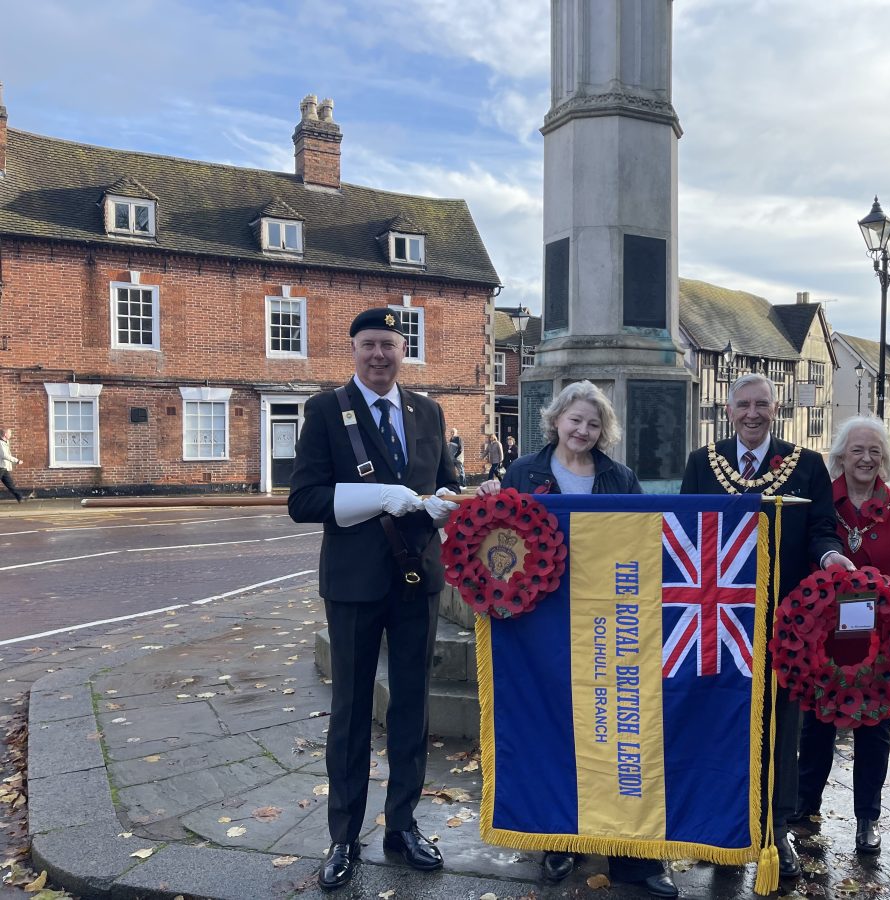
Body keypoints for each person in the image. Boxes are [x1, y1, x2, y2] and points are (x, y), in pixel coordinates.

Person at [478, 380, 674, 899]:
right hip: (544, 621)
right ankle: (558, 838)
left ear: (602, 430)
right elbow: (501, 539)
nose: (582, 431)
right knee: (555, 728)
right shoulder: (524, 473)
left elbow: (643, 540)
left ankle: (629, 852)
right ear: (556, 420)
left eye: (592, 424)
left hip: (611, 621)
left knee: (618, 730)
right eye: (575, 420)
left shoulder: (620, 476)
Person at [288, 308, 461, 891]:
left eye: (389, 344)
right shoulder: (325, 411)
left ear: (401, 349)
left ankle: (404, 826)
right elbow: (304, 500)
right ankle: (343, 835)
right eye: (369, 345)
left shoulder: (429, 411)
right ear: (354, 350)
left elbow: (446, 480)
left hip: (419, 581)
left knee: (412, 706)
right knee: (352, 711)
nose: (380, 355)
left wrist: (448, 500)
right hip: (356, 584)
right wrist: (381, 497)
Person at [679, 373, 852, 881]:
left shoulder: (808, 465)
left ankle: (777, 831)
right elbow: (688, 533)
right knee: (724, 724)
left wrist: (830, 557)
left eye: (762, 405)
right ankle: (723, 829)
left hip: (785, 621)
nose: (752, 414)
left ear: (775, 411)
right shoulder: (701, 464)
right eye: (743, 406)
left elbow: (822, 528)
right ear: (729, 411)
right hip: (721, 620)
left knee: (781, 727)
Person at [793, 416, 890, 856]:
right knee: (815, 729)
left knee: (875, 730)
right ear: (840, 456)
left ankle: (866, 819)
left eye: (874, 451)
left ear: (885, 459)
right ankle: (803, 813)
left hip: (884, 647)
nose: (866, 458)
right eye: (857, 450)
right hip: (824, 643)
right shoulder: (820, 504)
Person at [0, 429, 24, 502]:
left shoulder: (6, 442)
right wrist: (17, 461)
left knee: (10, 484)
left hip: (4, 467)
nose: (11, 435)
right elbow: (4, 455)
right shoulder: (0, 443)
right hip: (0, 467)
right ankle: (20, 497)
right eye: (10, 433)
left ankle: (20, 497)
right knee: (10, 484)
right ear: (5, 434)